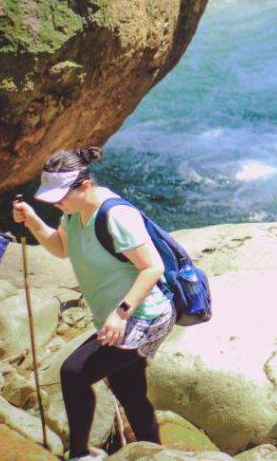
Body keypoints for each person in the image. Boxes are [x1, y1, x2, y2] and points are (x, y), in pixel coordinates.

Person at [12, 148, 174, 461]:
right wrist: (32, 221)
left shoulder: (116, 216)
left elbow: (153, 268)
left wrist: (120, 314)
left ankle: (80, 454)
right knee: (128, 390)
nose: (57, 203)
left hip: (143, 315)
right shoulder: (73, 212)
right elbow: (61, 247)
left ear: (85, 186)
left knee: (73, 372)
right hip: (118, 315)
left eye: (61, 197)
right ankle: (155, 453)